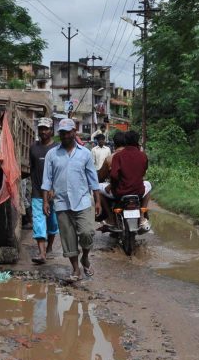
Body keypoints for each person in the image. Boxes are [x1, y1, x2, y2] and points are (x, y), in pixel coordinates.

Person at [42, 118, 103, 281]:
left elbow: (93, 180)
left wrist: (97, 201)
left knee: (87, 233)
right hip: (61, 202)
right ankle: (76, 269)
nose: (65, 136)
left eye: (68, 132)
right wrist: (45, 201)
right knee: (68, 239)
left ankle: (85, 257)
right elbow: (47, 180)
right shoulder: (52, 154)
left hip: (82, 201)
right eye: (62, 133)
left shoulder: (85, 153)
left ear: (74, 132)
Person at [108, 130, 152, 233]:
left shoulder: (118, 156)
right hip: (138, 192)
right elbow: (143, 172)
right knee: (148, 185)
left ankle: (111, 219)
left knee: (101, 190)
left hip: (120, 192)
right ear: (137, 141)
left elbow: (114, 175)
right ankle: (141, 218)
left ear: (125, 141)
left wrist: (112, 186)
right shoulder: (143, 156)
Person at [28, 118, 59, 264]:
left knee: (52, 223)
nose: (43, 131)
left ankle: (50, 247)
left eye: (46, 129)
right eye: (41, 128)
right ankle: (42, 253)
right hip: (37, 193)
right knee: (39, 223)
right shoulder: (33, 148)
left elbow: (61, 171)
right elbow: (32, 169)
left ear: (51, 130)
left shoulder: (57, 149)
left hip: (54, 194)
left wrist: (55, 188)